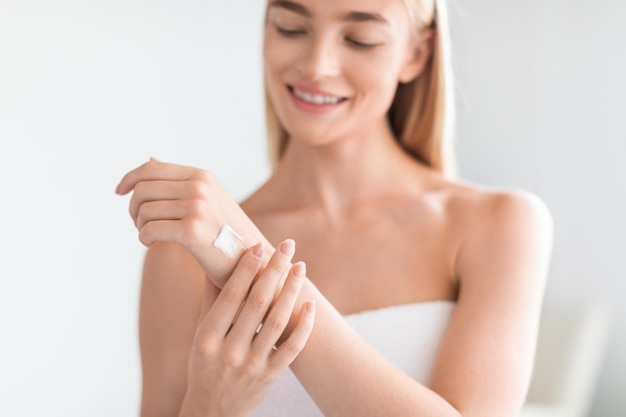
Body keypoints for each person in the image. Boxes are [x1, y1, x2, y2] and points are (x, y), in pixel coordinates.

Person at [116, 0, 554, 415]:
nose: (315, 65)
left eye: (359, 38)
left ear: (417, 54)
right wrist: (210, 406)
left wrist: (243, 252)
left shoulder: (500, 224)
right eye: (291, 27)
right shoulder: (179, 254)